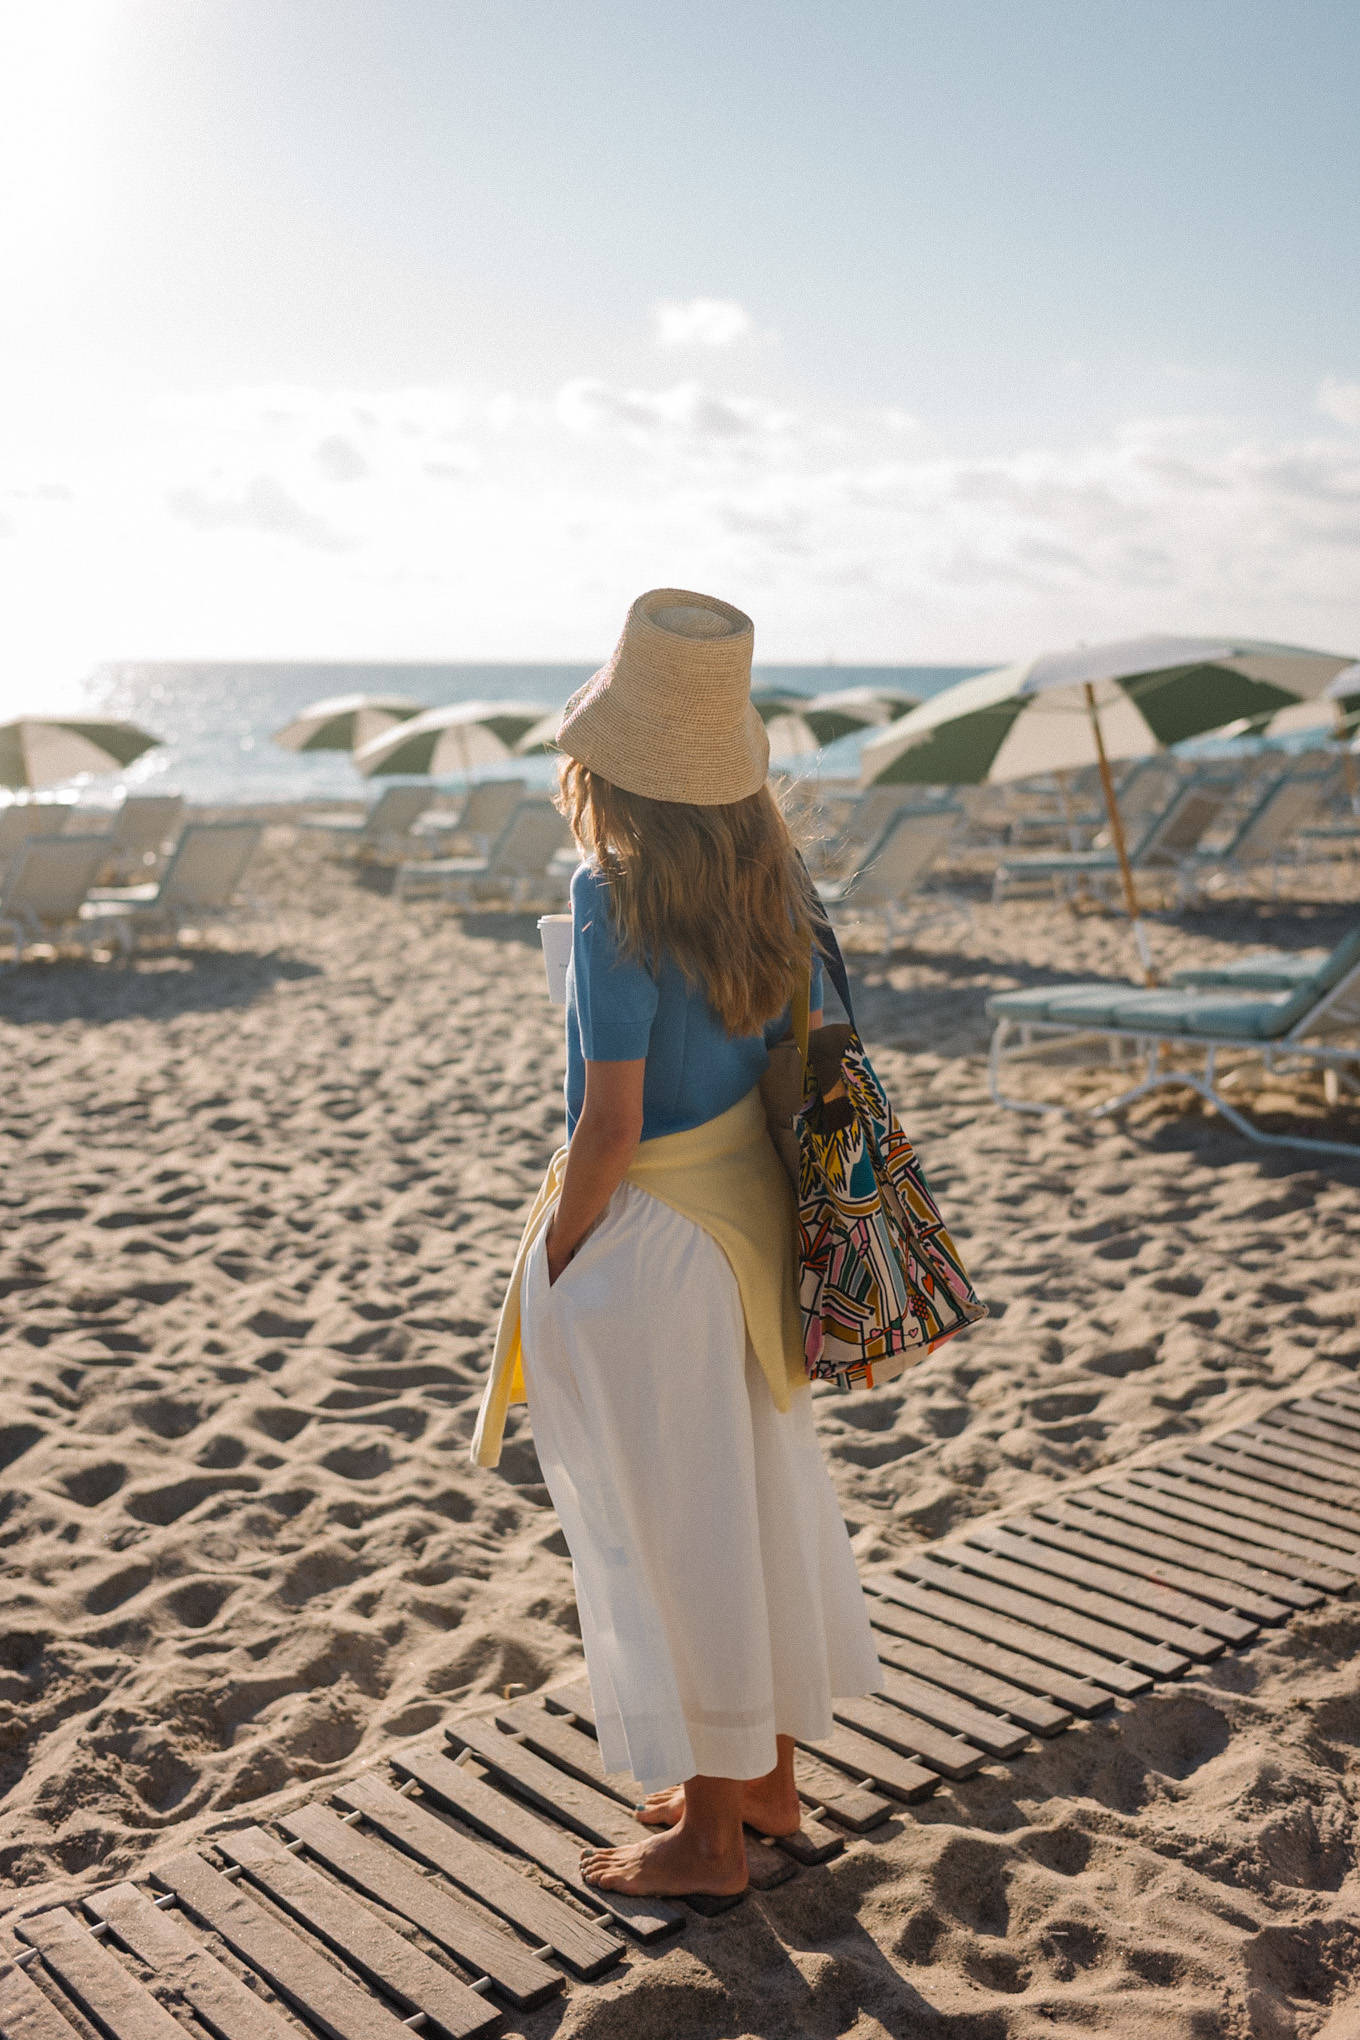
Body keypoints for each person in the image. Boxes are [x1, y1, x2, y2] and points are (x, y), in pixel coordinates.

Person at [471, 587, 880, 1898]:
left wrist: (563, 1253)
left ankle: (709, 1842)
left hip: (655, 1238)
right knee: (747, 1502)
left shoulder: (611, 895)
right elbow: (800, 1057)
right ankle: (761, 1782)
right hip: (755, 1226)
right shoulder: (781, 879)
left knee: (677, 1527)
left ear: (609, 761)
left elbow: (610, 1123)